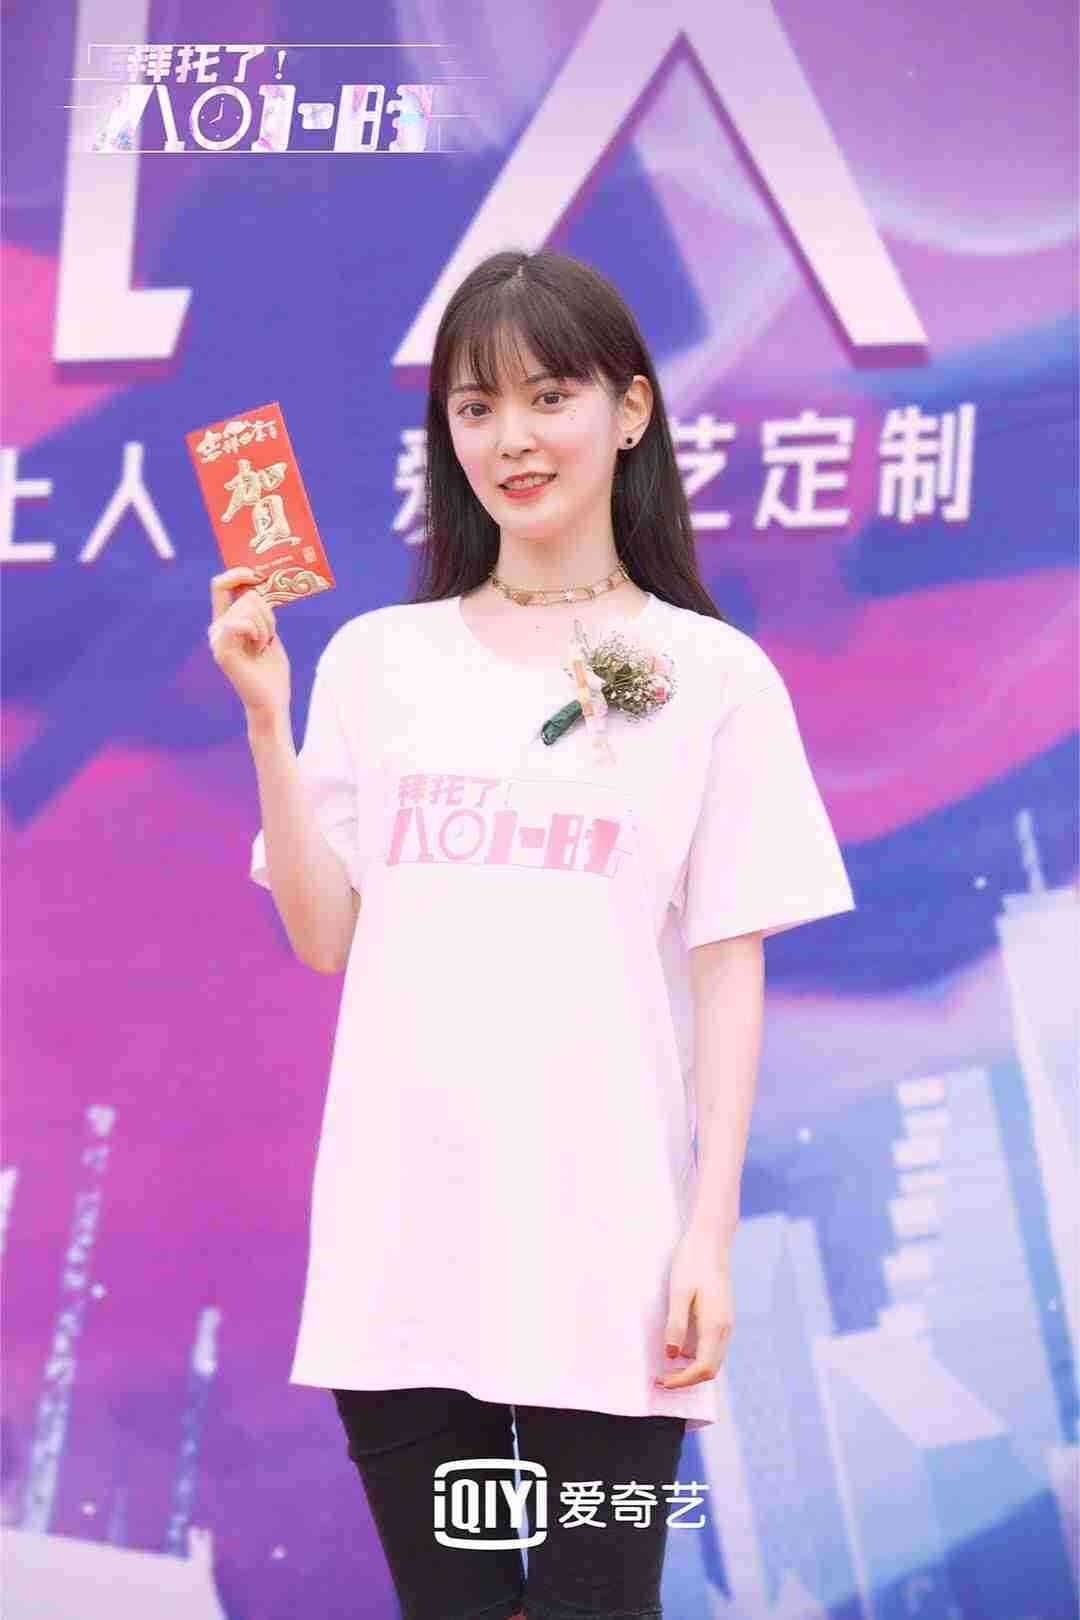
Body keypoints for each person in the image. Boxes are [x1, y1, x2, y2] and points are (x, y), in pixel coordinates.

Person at [207, 250, 856, 1620]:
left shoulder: (712, 677)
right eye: (475, 407)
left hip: (607, 1246)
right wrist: (266, 720)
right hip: (402, 1234)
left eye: (549, 396)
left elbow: (727, 970)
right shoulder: (378, 659)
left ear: (631, 412)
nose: (512, 437)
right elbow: (325, 938)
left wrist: (707, 1239)